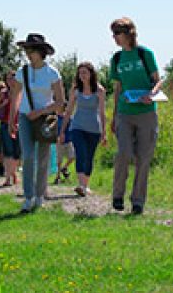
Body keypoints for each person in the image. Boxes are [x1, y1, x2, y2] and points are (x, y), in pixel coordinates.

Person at [109, 17, 163, 215]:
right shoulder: (116, 59)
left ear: (128, 33)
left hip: (146, 113)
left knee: (143, 158)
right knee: (123, 153)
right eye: (113, 34)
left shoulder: (144, 54)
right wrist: (114, 115)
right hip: (125, 112)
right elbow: (117, 87)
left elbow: (158, 80)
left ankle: (138, 201)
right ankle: (117, 195)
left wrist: (151, 94)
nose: (114, 38)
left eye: (117, 33)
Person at [9, 33, 65, 213]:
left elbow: (60, 101)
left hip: (44, 119)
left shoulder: (52, 73)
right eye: (26, 50)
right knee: (28, 156)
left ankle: (40, 195)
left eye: (30, 50)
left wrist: (40, 112)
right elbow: (15, 96)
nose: (27, 54)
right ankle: (28, 196)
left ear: (41, 52)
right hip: (25, 117)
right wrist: (12, 118)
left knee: (43, 159)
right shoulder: (21, 72)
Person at [59, 62, 106, 196]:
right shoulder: (75, 90)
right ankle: (81, 185)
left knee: (89, 157)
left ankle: (85, 186)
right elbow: (68, 111)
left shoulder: (99, 90)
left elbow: (102, 113)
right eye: (80, 73)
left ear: (91, 74)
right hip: (77, 127)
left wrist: (104, 133)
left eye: (85, 72)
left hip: (93, 129)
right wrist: (62, 130)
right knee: (80, 153)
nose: (82, 76)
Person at [0, 72, 20, 186]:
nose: (10, 81)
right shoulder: (3, 94)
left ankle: (13, 173)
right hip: (5, 124)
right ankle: (8, 178)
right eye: (8, 79)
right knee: (8, 150)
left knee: (17, 152)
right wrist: (4, 104)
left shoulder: (22, 93)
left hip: (19, 125)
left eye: (12, 78)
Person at [54, 102, 75, 184]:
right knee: (59, 160)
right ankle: (57, 177)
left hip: (68, 140)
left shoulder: (69, 118)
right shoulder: (56, 118)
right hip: (59, 142)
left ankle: (64, 167)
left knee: (72, 156)